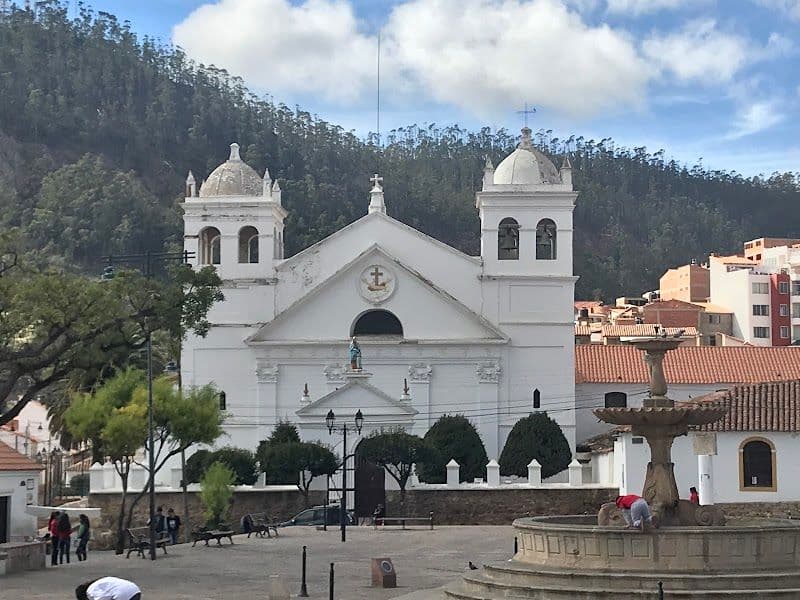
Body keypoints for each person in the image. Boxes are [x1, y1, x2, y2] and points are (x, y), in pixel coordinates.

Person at [75, 577, 141, 600]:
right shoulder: (100, 581)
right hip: (135, 590)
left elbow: (101, 598)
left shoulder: (90, 591)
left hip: (123, 595)